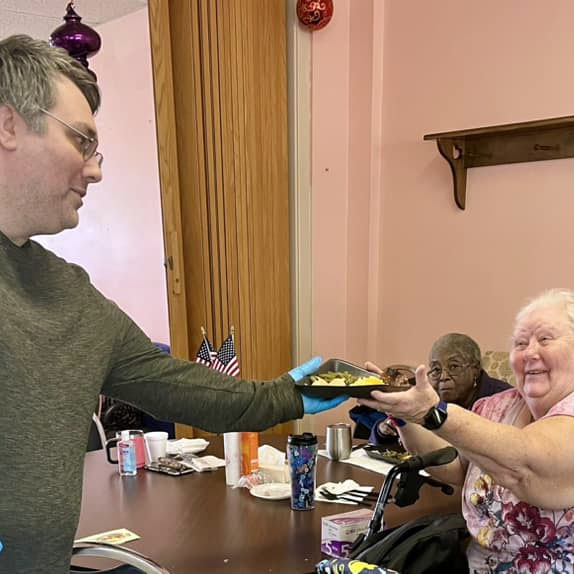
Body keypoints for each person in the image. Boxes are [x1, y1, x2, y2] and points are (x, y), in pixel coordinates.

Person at [0, 35, 346, 574]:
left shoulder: (70, 295)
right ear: (8, 125)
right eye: (81, 141)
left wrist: (292, 394)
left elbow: (186, 389)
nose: (95, 170)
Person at [358, 288, 574, 573]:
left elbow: (524, 464)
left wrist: (433, 413)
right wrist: (402, 413)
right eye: (520, 343)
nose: (530, 352)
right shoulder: (497, 406)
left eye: (545, 339)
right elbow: (457, 464)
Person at [349, 333, 511, 443]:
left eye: (454, 366)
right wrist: (384, 431)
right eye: (436, 369)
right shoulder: (428, 394)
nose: (443, 376)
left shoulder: (502, 401)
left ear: (475, 369)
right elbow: (400, 441)